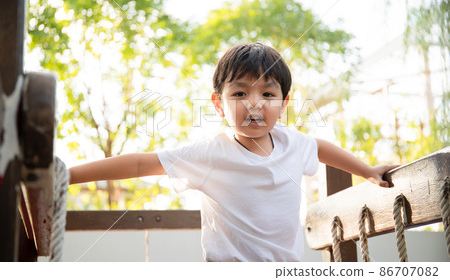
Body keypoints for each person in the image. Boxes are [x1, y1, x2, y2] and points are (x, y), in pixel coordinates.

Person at [69, 42, 398, 262]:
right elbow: (142, 163)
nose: (254, 103)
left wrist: (367, 170)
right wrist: (67, 176)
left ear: (283, 105)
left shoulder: (292, 144)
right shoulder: (211, 154)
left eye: (267, 94)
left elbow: (322, 148)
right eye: (240, 92)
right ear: (218, 104)